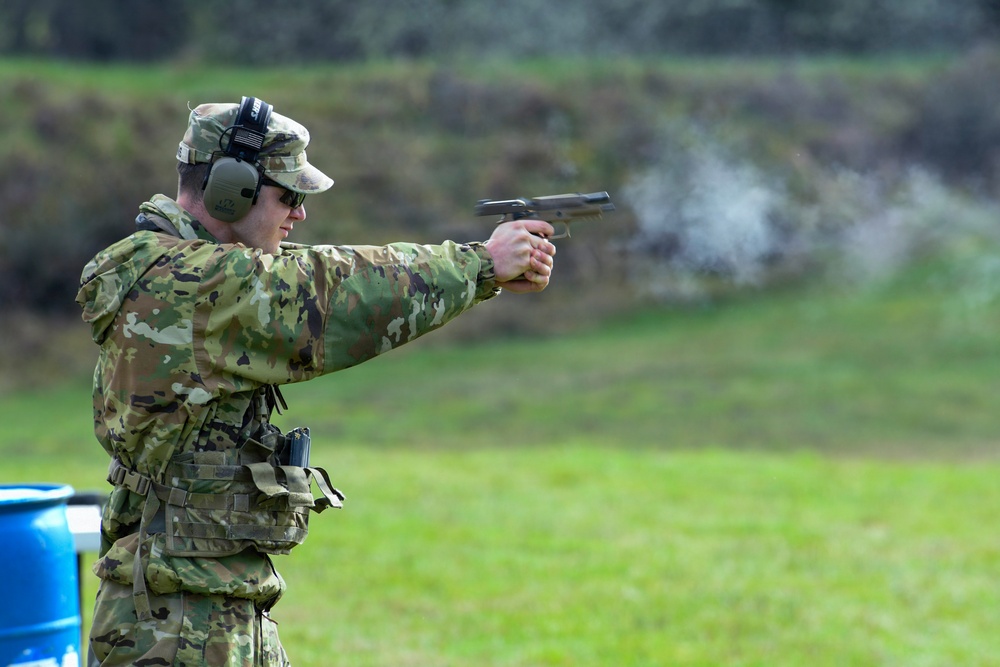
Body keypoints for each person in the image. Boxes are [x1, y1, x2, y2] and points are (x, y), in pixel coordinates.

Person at [76, 96, 556, 666]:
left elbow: (312, 264)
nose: (299, 213)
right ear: (232, 190)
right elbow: (333, 290)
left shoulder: (186, 270)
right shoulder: (193, 282)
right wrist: (480, 263)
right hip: (178, 625)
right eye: (289, 195)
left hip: (199, 603)